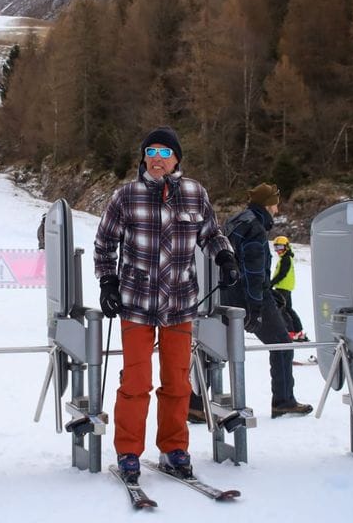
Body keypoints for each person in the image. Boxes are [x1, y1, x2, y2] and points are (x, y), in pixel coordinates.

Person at [94, 126, 239, 482]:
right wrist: (108, 281)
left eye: (164, 153)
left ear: (176, 159)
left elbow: (211, 234)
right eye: (151, 152)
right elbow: (105, 243)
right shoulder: (126, 196)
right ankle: (129, 452)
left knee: (177, 382)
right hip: (136, 302)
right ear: (143, 158)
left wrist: (225, 258)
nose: (157, 159)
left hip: (180, 303)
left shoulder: (194, 194)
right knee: (136, 382)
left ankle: (174, 448)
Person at [220, 183, 312, 418]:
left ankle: (195, 403)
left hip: (226, 293)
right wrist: (256, 306)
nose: (277, 210)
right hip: (249, 296)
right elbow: (253, 271)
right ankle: (284, 400)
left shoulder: (237, 220)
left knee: (215, 347)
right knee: (282, 344)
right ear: (267, 205)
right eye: (275, 205)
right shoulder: (255, 228)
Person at [271, 236, 307, 341]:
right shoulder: (285, 258)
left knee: (283, 310)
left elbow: (282, 274)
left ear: (286, 246)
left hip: (283, 287)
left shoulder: (286, 259)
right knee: (288, 309)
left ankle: (291, 331)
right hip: (284, 287)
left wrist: (271, 283)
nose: (278, 250)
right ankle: (298, 331)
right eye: (276, 248)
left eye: (280, 247)